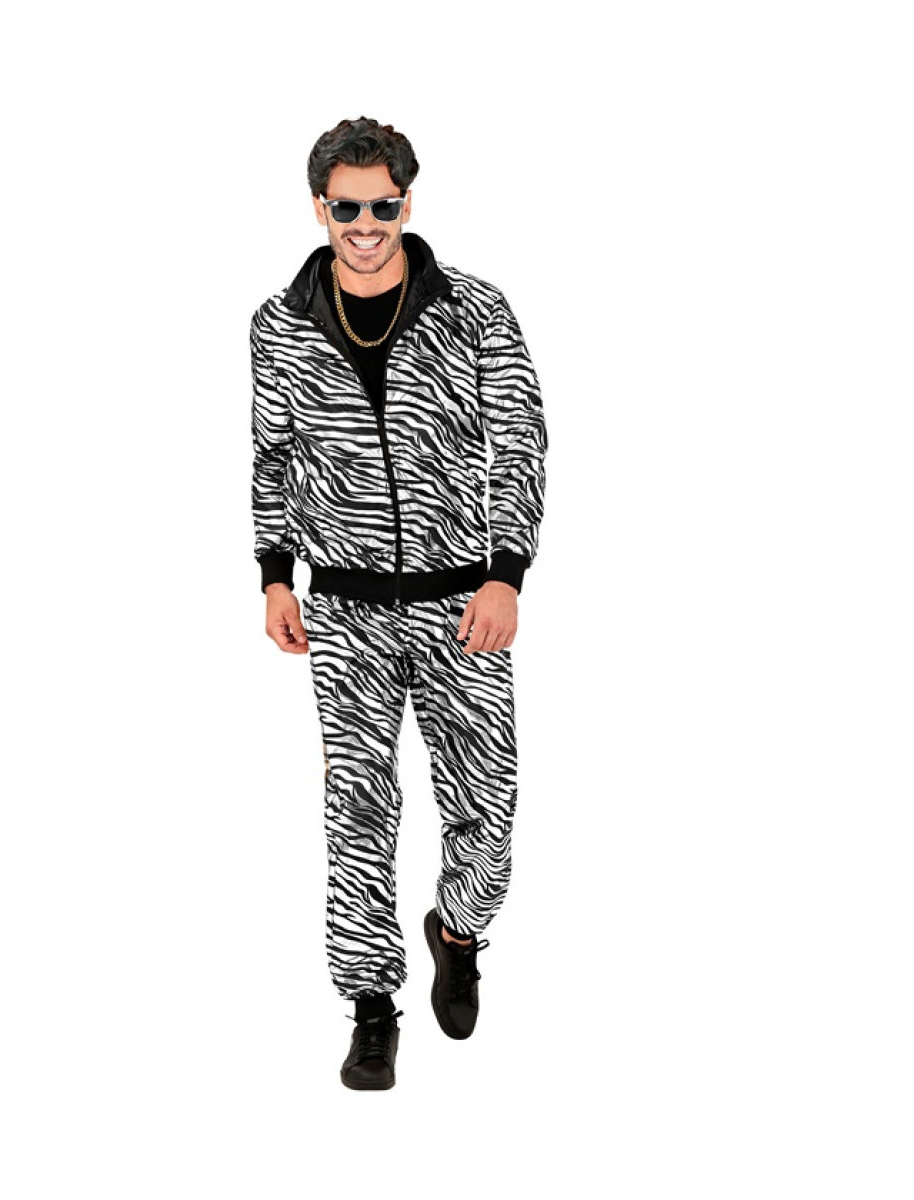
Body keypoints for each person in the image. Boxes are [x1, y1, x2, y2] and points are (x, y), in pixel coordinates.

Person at [249, 116, 548, 1090]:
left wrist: (505, 571)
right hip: (344, 610)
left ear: (407, 202)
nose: (366, 224)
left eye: (383, 204)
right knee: (357, 809)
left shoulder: (475, 310)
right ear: (320, 209)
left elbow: (521, 439)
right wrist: (275, 573)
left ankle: (457, 930)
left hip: (462, 602)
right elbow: (271, 456)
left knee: (488, 803)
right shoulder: (278, 325)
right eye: (348, 208)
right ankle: (371, 1006)